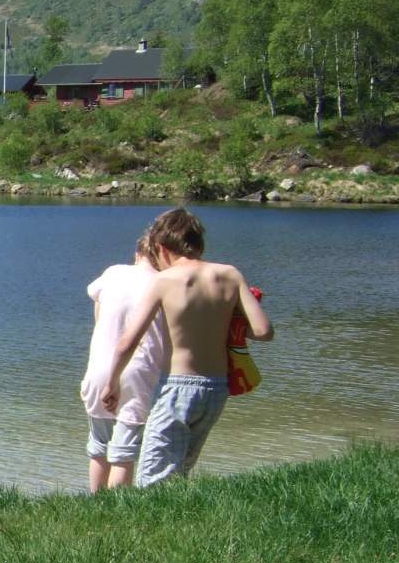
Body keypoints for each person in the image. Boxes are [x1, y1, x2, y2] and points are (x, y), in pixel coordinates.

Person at [103, 208, 273, 486]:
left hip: (177, 387)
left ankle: (150, 525)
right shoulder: (229, 274)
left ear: (161, 247)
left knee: (152, 477)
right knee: (180, 471)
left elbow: (128, 341)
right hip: (216, 389)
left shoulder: (164, 280)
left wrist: (112, 383)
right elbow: (263, 331)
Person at [80, 231, 169, 491]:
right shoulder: (163, 282)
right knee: (124, 450)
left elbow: (97, 304)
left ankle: (97, 504)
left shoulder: (114, 273)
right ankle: (119, 510)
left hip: (99, 368)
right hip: (140, 370)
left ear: (137, 254)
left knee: (98, 444)